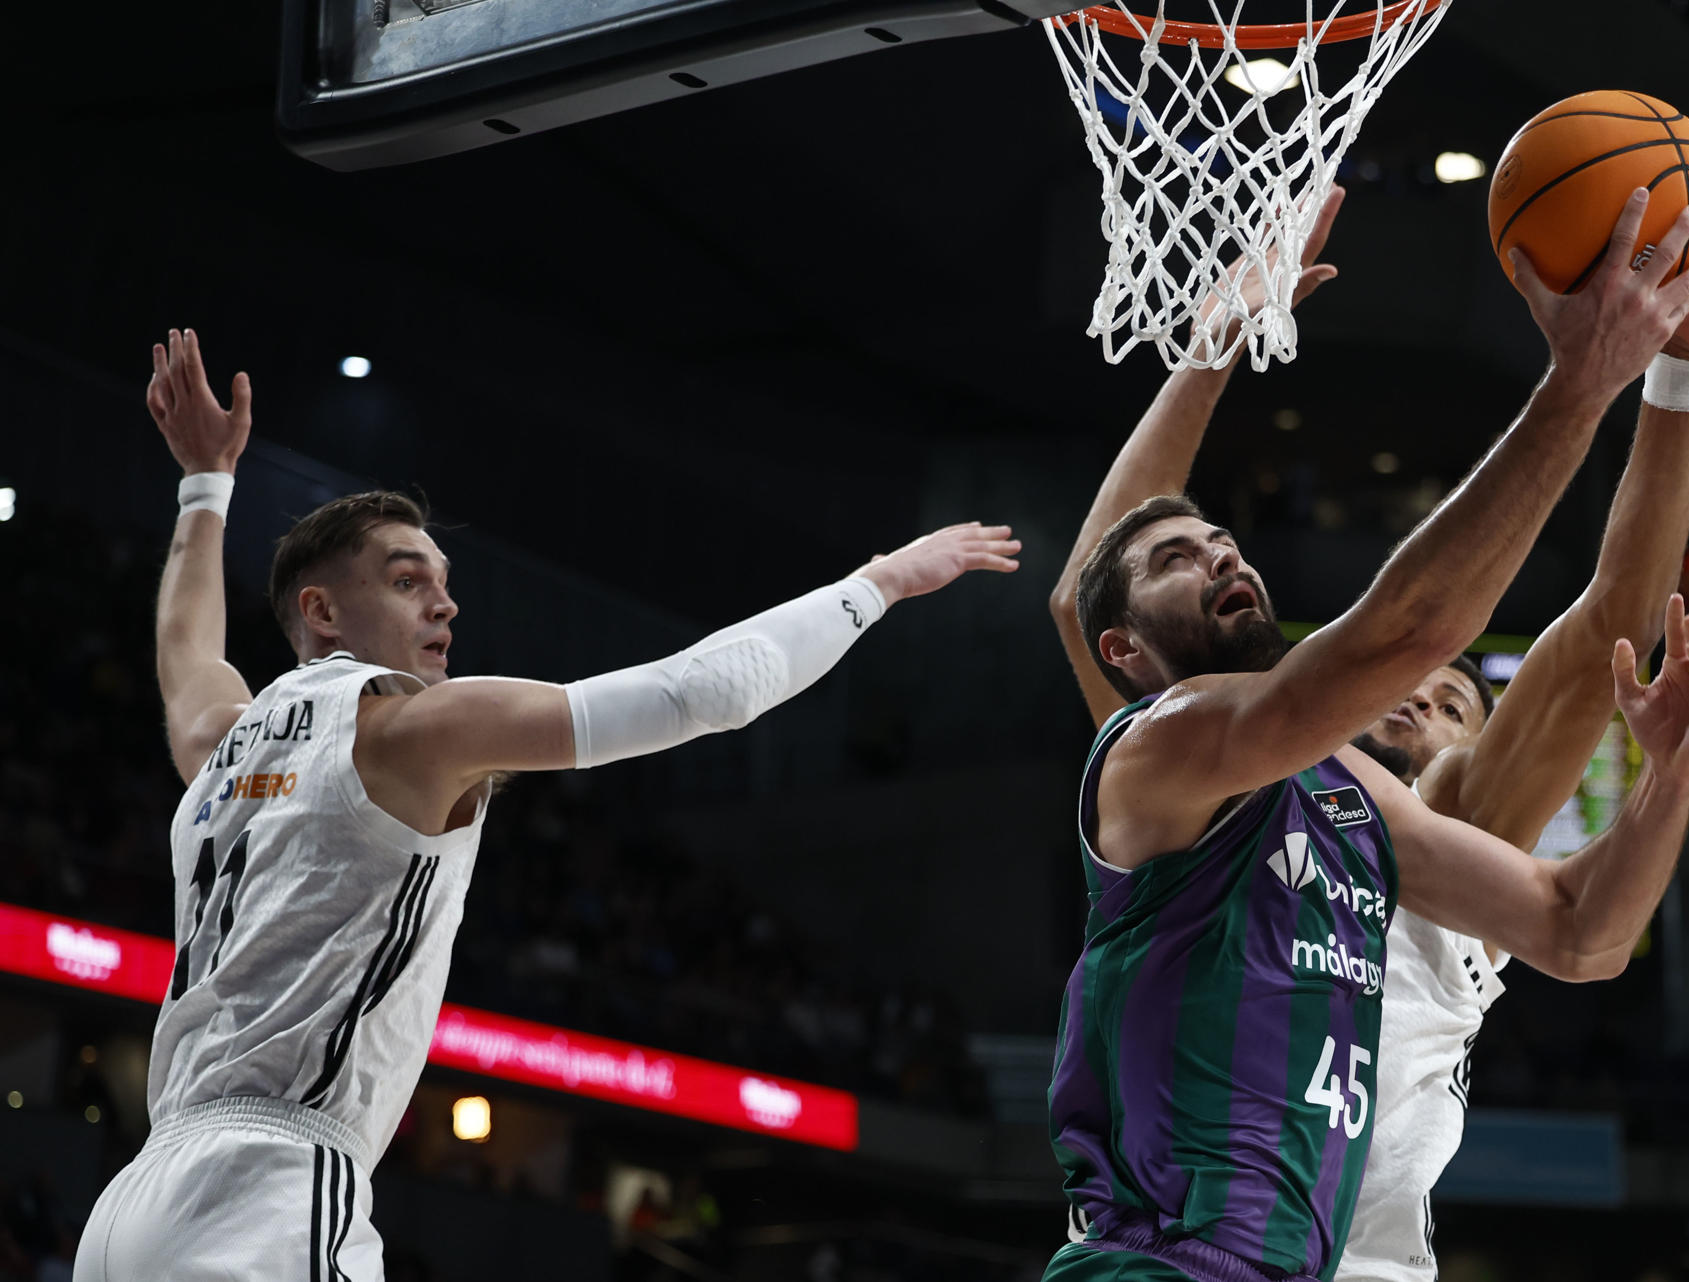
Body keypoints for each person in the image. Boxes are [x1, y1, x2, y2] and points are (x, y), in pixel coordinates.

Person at [1045, 117, 1689, 1282]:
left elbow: (1581, 921)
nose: (1415, 696)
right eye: (1184, 556)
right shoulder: (1189, 752)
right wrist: (1213, 345)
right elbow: (1091, 595)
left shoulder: (1411, 819)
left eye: (1452, 694)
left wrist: (1679, 363)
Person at [74, 329, 1022, 1281]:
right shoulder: (409, 727)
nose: (445, 607)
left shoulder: (225, 745)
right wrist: (883, 582)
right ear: (321, 611)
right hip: (269, 1186)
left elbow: (187, 655)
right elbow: (698, 693)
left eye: (446, 586)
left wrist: (205, 486)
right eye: (409, 581)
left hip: (133, 1205)